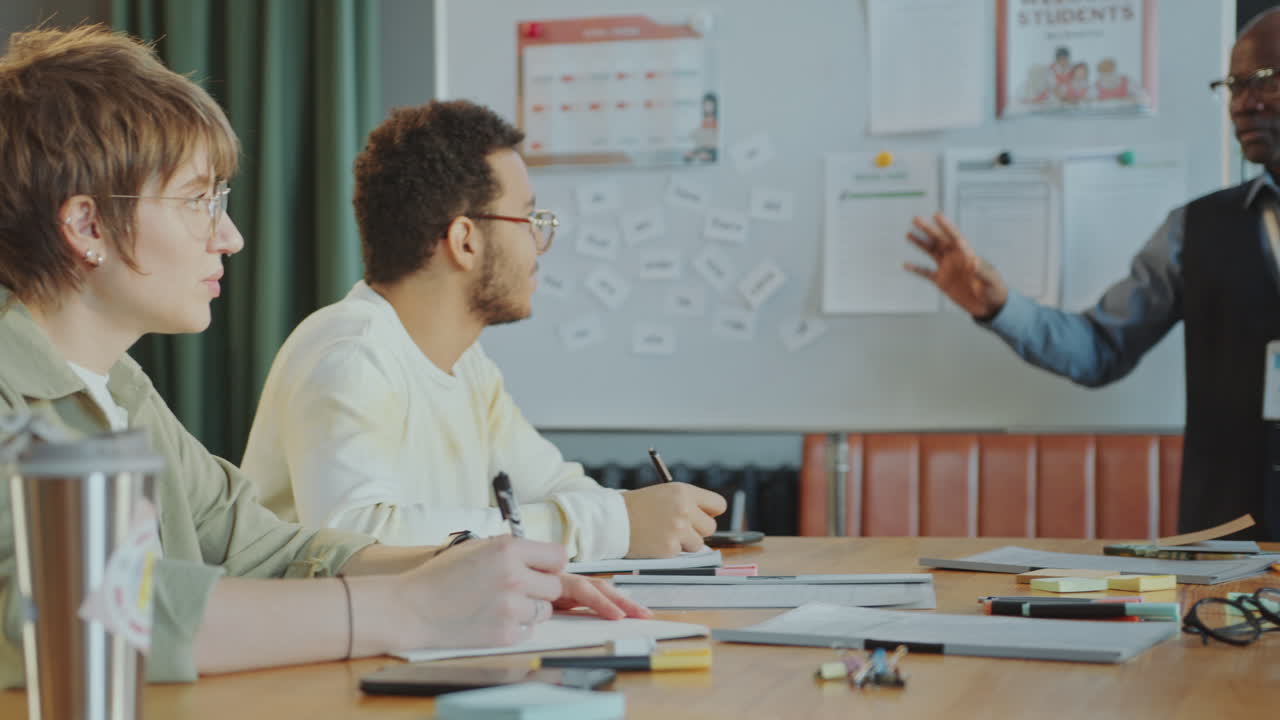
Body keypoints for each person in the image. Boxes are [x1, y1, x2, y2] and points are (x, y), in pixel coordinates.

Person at [0, 25, 648, 687]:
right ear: (86, 226)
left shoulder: (121, 388)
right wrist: (405, 606)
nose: (231, 236)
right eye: (199, 201)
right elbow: (61, 612)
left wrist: (478, 571)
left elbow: (268, 549)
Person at [241, 100, 726, 560]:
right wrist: (610, 524)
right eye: (529, 219)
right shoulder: (350, 354)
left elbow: (554, 487)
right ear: (465, 241)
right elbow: (357, 540)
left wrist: (639, 518)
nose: (539, 244)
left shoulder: (468, 366)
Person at [903, 10, 1280, 541]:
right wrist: (1000, 306)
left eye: (1265, 81)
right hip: (1229, 536)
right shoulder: (1194, 228)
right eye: (1235, 85)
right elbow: (1099, 349)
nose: (1244, 103)